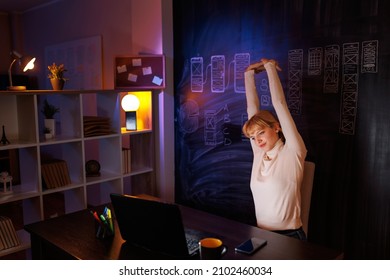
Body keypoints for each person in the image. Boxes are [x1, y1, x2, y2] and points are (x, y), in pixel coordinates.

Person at [242, 58, 307, 240]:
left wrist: (270, 67)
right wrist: (249, 74)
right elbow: (251, 110)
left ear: (276, 127)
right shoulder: (259, 154)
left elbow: (280, 105)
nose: (257, 140)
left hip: (290, 236)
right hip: (260, 235)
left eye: (261, 132)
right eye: (253, 137)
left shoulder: (293, 151)